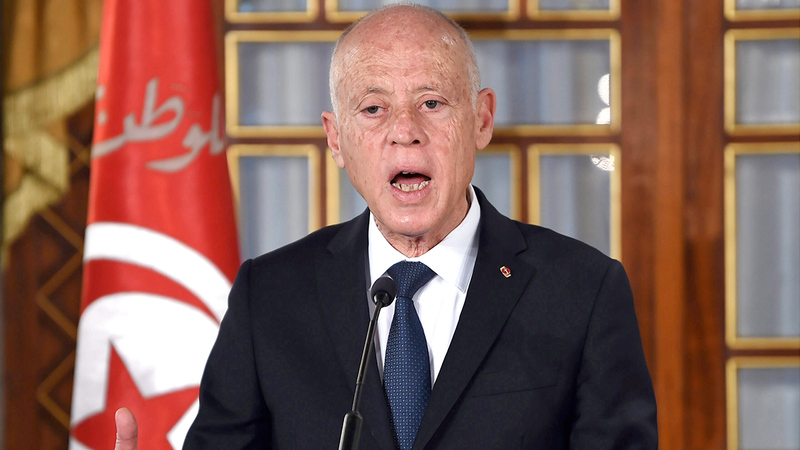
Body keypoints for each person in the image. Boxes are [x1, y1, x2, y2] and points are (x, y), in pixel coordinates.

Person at [114, 4, 657, 449]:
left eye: (432, 103)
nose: (405, 131)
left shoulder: (583, 291)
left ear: (481, 119)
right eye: (373, 109)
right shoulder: (270, 297)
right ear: (336, 138)